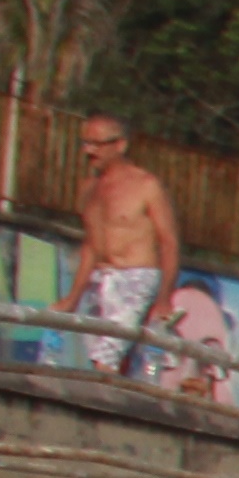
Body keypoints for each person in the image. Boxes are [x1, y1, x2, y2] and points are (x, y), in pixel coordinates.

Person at [67, 117, 178, 378]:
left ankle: (99, 398)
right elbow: (91, 246)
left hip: (136, 278)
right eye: (85, 143)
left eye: (97, 144)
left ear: (120, 145)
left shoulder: (146, 185)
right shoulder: (89, 189)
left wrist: (164, 298)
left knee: (105, 356)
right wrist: (73, 297)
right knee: (103, 355)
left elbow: (169, 241)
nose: (89, 151)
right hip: (101, 278)